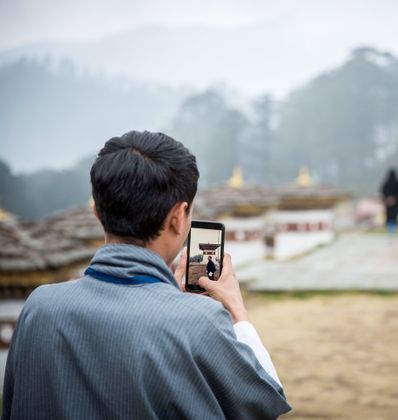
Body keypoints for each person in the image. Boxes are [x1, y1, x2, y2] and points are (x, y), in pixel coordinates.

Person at [3, 131, 291, 419]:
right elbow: (265, 404)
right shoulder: (199, 321)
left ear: (97, 212)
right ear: (179, 217)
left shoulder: (39, 307)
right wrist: (236, 310)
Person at [380, 168, 398, 234]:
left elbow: (383, 190)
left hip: (388, 201)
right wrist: (394, 197)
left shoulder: (386, 182)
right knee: (394, 215)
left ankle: (390, 229)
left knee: (389, 215)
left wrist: (388, 197)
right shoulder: (397, 182)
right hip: (395, 201)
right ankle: (393, 229)